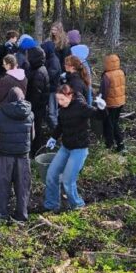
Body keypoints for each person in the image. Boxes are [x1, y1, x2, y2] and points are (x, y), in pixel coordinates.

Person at [43, 84, 106, 212]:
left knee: (67, 180)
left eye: (62, 99)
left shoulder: (81, 106)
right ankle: (52, 205)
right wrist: (53, 138)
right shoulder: (63, 109)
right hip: (66, 147)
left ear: (70, 96)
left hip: (79, 149)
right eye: (58, 100)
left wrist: (102, 108)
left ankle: (78, 206)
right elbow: (60, 126)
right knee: (51, 174)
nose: (60, 103)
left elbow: (98, 116)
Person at [0, 87, 34, 222]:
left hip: (5, 155)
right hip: (23, 156)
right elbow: (32, 136)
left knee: (3, 185)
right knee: (23, 186)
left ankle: (1, 216)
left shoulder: (0, 113)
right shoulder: (30, 114)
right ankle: (22, 215)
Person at [25, 45, 50, 155]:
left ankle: (35, 151)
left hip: (37, 107)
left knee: (36, 129)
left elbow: (36, 93)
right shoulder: (38, 68)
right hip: (38, 106)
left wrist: (29, 106)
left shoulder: (39, 72)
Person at [100, 54, 126, 153]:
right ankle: (119, 144)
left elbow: (104, 91)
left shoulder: (107, 76)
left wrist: (100, 102)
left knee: (110, 124)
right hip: (120, 102)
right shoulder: (121, 72)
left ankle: (112, 144)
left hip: (111, 104)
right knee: (114, 122)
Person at [42, 40, 63, 129]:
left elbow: (50, 75)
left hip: (53, 89)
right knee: (51, 111)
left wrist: (42, 76)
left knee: (53, 112)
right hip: (50, 88)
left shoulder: (54, 60)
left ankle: (56, 130)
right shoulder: (49, 59)